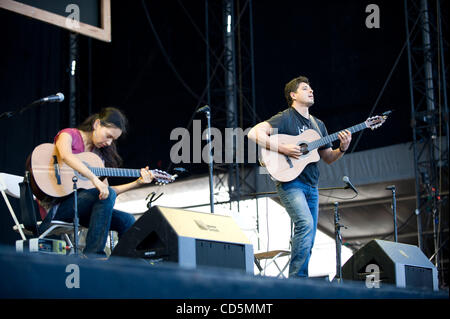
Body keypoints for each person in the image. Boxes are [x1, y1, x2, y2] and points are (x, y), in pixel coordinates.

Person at [248, 76, 352, 278]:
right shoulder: (285, 117)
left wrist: (342, 148)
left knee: (310, 235)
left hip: (311, 185)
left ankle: (300, 279)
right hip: (290, 182)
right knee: (305, 224)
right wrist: (284, 148)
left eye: (311, 88)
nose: (311, 90)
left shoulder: (318, 125)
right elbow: (254, 133)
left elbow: (328, 157)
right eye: (305, 88)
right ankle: (297, 281)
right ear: (293, 95)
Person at [39, 107, 154, 257]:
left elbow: (107, 191)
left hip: (83, 211)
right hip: (58, 207)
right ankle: (94, 255)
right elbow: (66, 156)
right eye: (108, 136)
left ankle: (123, 264)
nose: (109, 142)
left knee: (127, 219)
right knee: (107, 193)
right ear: (97, 124)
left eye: (113, 139)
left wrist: (137, 183)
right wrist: (94, 178)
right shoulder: (69, 134)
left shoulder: (98, 157)